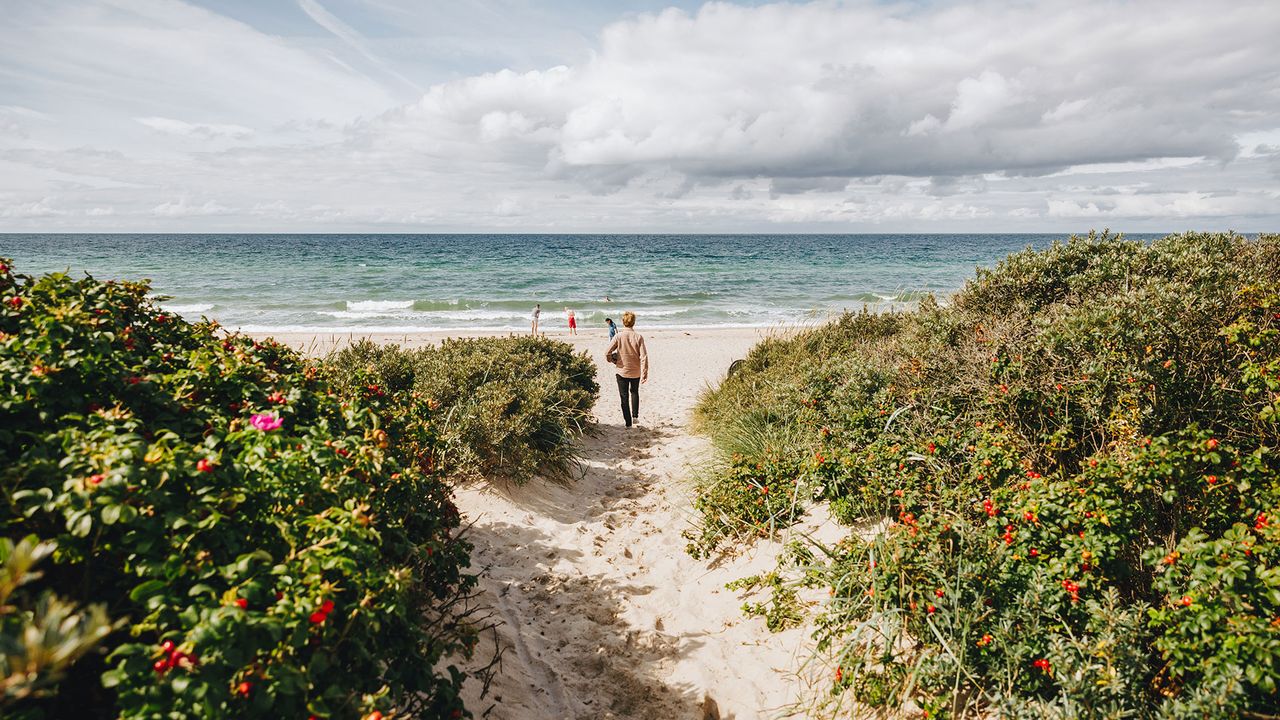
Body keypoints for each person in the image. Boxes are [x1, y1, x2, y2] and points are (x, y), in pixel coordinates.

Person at [604, 311, 647, 427]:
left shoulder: (618, 336)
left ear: (623, 322)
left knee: (624, 397)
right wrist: (644, 373)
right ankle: (635, 416)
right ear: (633, 322)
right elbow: (644, 357)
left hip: (621, 371)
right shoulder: (638, 337)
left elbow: (607, 352)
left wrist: (613, 361)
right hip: (635, 371)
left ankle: (628, 423)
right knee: (634, 392)